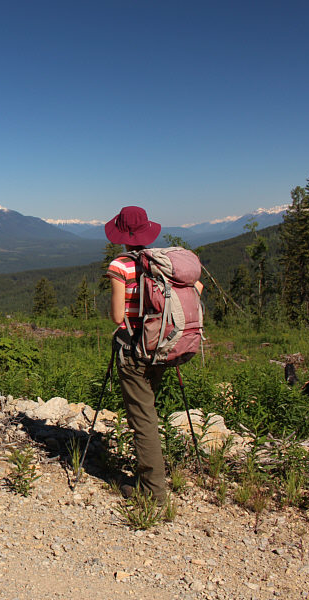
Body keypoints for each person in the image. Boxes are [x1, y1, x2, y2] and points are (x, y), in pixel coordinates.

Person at [103, 206, 201, 503]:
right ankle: (153, 476)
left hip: (134, 351)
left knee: (142, 419)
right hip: (161, 347)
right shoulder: (163, 264)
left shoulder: (120, 266)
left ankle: (153, 492)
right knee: (149, 410)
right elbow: (198, 286)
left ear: (121, 235)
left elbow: (117, 315)